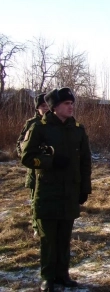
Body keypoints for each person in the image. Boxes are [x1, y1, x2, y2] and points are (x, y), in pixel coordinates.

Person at [21, 87, 92, 291]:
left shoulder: (78, 129)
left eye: (72, 104)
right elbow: (26, 157)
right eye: (67, 104)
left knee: (64, 237)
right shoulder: (39, 128)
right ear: (55, 107)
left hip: (70, 191)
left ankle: (63, 274)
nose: (71, 107)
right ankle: (48, 277)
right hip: (47, 191)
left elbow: (85, 161)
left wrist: (84, 188)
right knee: (48, 238)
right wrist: (49, 161)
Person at [16, 93, 49, 236]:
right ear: (37, 109)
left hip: (51, 169)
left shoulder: (55, 123)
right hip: (35, 169)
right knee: (36, 199)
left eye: (48, 105)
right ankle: (37, 226)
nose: (46, 108)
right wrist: (28, 157)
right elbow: (20, 144)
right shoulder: (32, 124)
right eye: (43, 106)